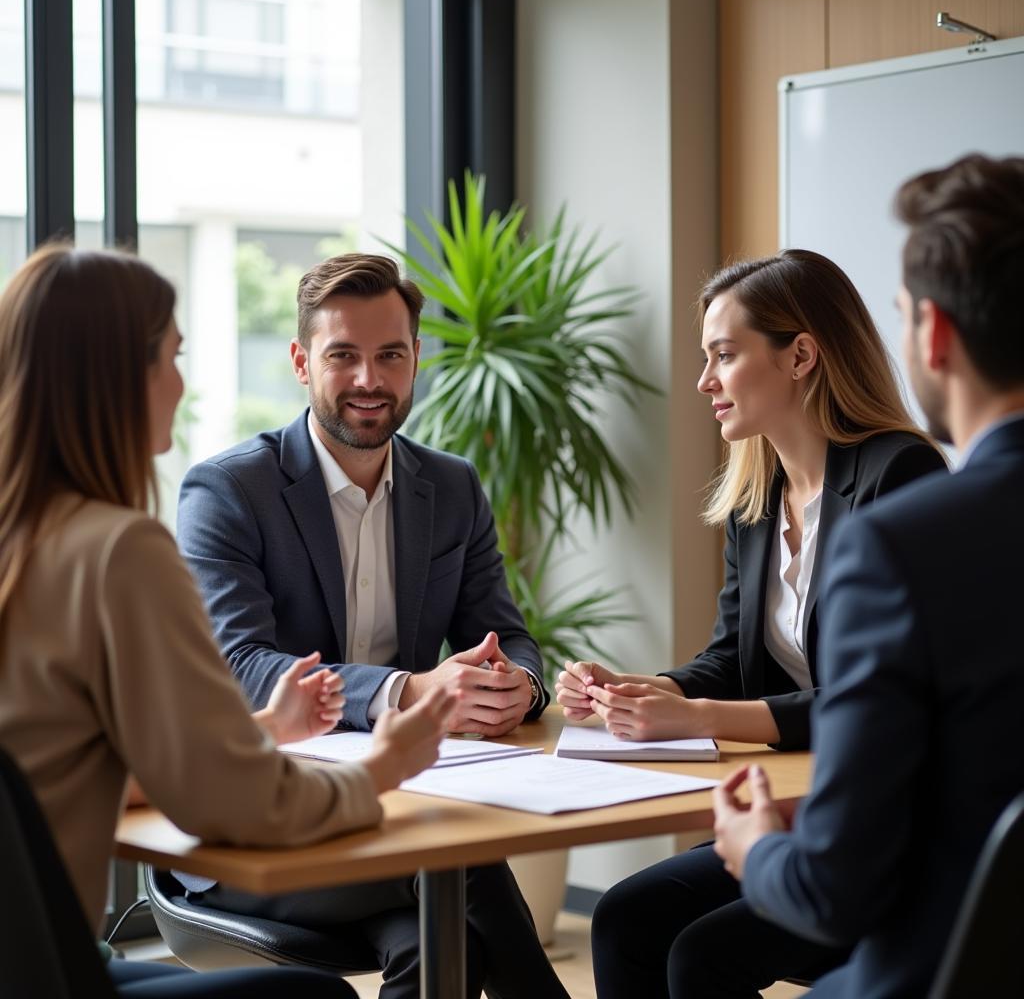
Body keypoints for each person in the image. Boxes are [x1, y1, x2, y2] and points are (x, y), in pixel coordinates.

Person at [0, 244, 456, 997]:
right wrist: (386, 765)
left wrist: (262, 733)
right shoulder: (118, 550)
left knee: (439, 919)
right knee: (313, 993)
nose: (181, 383)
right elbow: (227, 803)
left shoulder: (26, 541)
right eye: (171, 357)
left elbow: (64, 760)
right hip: (54, 972)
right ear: (115, 376)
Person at [176, 252, 569, 999]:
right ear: (300, 361)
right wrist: (410, 691)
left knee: (448, 941)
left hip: (395, 813)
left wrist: (516, 684)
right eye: (342, 356)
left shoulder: (450, 487)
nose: (369, 379)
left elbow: (506, 632)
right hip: (253, 827)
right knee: (460, 866)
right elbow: (243, 665)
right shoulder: (229, 492)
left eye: (390, 354)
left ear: (416, 357)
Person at [575, 249, 947, 997]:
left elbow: (869, 702)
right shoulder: (756, 501)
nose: (704, 381)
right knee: (622, 918)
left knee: (701, 955)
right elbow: (727, 663)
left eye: (724, 356)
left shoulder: (899, 475)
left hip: (894, 834)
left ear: (801, 355)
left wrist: (695, 715)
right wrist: (640, 691)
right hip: (801, 812)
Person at [714, 155, 1024, 998]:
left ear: (935, 333)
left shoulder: (900, 544)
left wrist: (755, 848)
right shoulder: (770, 499)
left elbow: (833, 893)